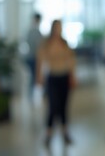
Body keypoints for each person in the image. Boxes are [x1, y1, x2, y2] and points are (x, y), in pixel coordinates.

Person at [36, 20, 77, 148]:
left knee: (64, 106)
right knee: (53, 106)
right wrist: (39, 76)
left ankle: (65, 132)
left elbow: (71, 60)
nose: (59, 30)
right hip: (52, 78)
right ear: (53, 28)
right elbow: (40, 60)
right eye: (57, 27)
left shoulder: (64, 43)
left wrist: (72, 75)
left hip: (64, 77)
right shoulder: (47, 44)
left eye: (60, 27)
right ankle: (48, 133)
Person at [26, 13, 44, 99]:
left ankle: (33, 95)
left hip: (34, 57)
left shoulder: (33, 31)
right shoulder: (34, 32)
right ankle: (32, 96)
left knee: (35, 76)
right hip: (33, 57)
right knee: (34, 76)